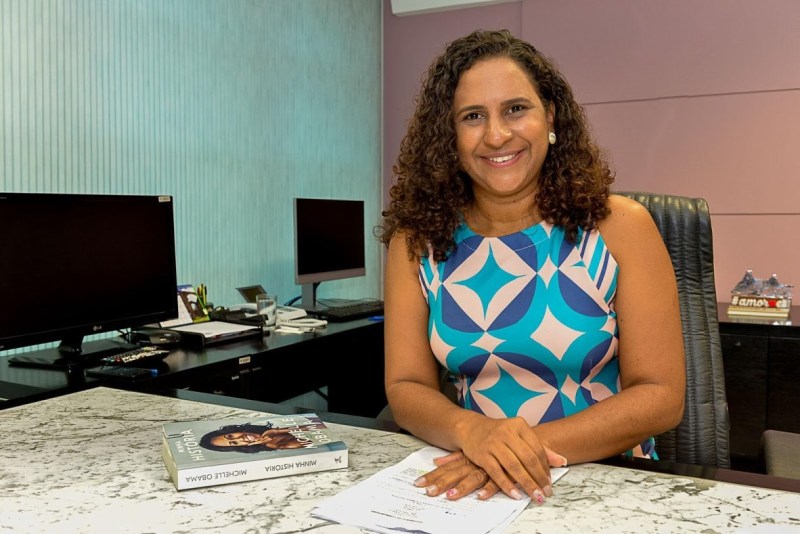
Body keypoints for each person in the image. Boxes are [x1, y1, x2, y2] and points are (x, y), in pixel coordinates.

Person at [378, 29, 685, 504]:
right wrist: (471, 431)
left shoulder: (619, 226)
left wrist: (509, 453)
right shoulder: (417, 241)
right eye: (473, 116)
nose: (496, 135)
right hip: (476, 488)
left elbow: (660, 396)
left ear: (551, 117)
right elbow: (406, 386)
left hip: (605, 481)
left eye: (516, 109)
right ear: (448, 136)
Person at [199, 419, 322, 453]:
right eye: (234, 443)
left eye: (231, 436)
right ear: (242, 447)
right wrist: (277, 436)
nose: (240, 439)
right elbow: (318, 438)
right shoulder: (275, 445)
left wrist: (276, 431)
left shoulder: (267, 420)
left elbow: (321, 424)